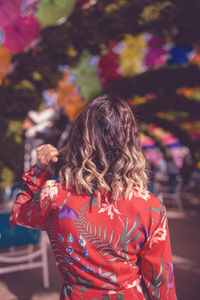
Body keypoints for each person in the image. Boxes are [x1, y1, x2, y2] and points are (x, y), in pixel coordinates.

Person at [10, 95, 176, 299]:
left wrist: (39, 171)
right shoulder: (150, 206)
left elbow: (19, 214)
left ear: (78, 141)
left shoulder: (54, 194)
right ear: (131, 143)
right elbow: (161, 284)